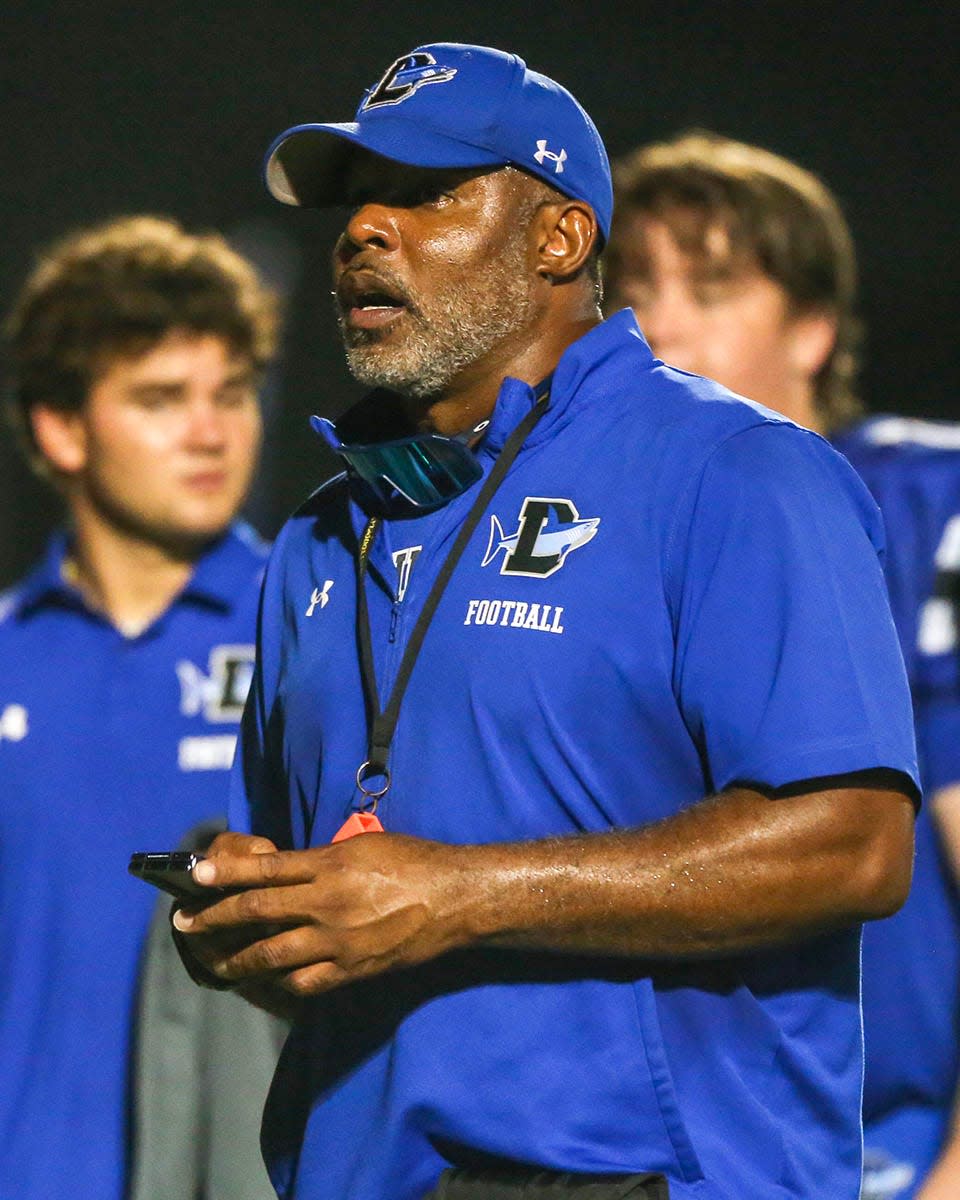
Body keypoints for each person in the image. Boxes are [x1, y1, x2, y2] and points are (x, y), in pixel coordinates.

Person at [172, 44, 920, 1200]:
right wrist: (259, 923)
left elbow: (854, 843)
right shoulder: (316, 543)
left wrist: (458, 896)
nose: (366, 229)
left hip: (655, 1179)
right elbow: (343, 923)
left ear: (558, 241)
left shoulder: (738, 474)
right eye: (354, 200)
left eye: (425, 194)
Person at [603, 132, 960, 1200]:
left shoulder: (924, 508)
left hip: (883, 1154)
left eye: (710, 290)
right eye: (636, 290)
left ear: (813, 327)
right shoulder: (582, 540)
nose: (659, 325)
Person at [0, 214, 280, 1200]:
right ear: (61, 428)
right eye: (163, 399)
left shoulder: (326, 633)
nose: (211, 431)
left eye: (233, 396)